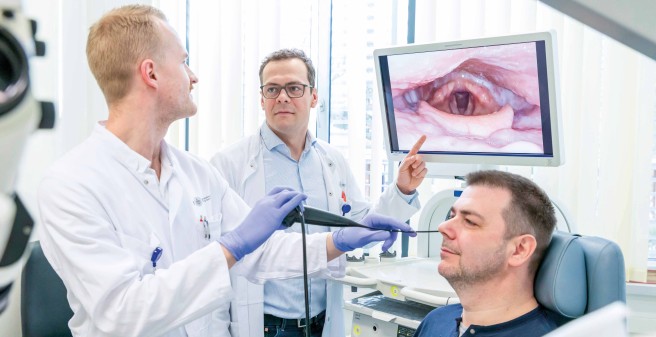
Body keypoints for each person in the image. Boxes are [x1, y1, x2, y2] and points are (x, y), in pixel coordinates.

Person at [36, 5, 415, 337]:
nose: (194, 76)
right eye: (184, 62)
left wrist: (339, 243)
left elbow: (262, 254)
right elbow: (124, 311)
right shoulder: (71, 185)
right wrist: (230, 246)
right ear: (151, 74)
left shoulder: (195, 173)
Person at [210, 48, 428, 337]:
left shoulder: (332, 160)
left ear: (313, 97)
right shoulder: (230, 164)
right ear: (262, 99)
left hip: (323, 321)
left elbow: (360, 229)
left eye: (294, 88)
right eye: (272, 89)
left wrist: (403, 189)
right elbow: (219, 256)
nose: (283, 97)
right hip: (266, 325)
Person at [413, 170, 558, 337]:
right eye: (451, 216)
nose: (443, 227)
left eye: (470, 221)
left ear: (520, 250)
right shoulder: (436, 321)